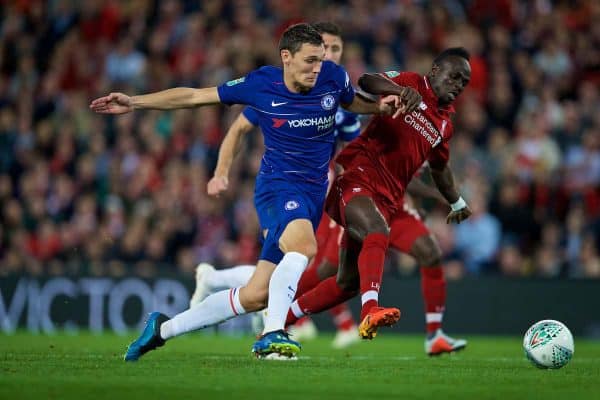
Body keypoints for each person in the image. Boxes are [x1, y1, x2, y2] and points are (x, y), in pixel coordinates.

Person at [90, 23, 409, 361]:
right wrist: (135, 102)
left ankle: (161, 329)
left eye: (321, 60)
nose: (317, 68)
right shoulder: (261, 85)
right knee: (304, 246)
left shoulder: (333, 77)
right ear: (286, 57)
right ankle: (272, 333)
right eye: (309, 61)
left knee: (256, 295)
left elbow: (351, 101)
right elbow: (195, 96)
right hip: (277, 187)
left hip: (313, 194)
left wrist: (378, 108)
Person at [189, 22, 364, 349]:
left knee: (286, 266)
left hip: (322, 192)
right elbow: (239, 129)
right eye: (320, 53)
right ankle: (279, 325)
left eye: (335, 51)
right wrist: (221, 171)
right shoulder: (279, 90)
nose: (327, 60)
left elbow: (355, 153)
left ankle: (215, 280)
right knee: (304, 258)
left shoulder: (338, 94)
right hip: (283, 188)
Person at [284, 47, 473, 346]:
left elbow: (440, 169)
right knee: (375, 231)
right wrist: (398, 91)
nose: (459, 85)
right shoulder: (411, 83)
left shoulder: (445, 124)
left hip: (388, 199)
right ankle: (370, 310)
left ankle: (280, 320)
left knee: (346, 283)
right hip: (358, 175)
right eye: (455, 76)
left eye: (464, 82)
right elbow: (367, 82)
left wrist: (456, 202)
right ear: (435, 70)